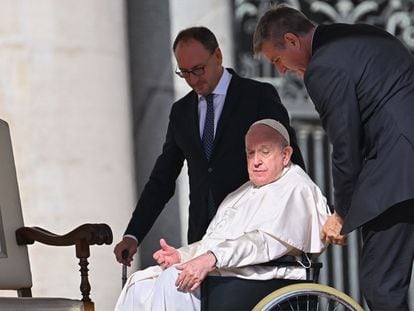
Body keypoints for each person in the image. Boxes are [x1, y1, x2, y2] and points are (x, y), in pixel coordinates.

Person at [253, 5, 414, 310]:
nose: (281, 71)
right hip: (401, 162)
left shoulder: (323, 67)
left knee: (381, 283)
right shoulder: (362, 36)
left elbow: (344, 143)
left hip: (398, 172)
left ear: (291, 40)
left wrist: (340, 213)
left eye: (277, 59)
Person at [114, 26, 305, 266]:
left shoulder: (258, 96)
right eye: (184, 73)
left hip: (250, 235)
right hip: (202, 238)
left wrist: (302, 216)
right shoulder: (181, 112)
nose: (193, 79)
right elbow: (162, 179)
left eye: (198, 69)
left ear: (218, 56)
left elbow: (290, 158)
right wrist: (133, 235)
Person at [114, 119, 330, 311]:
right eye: (250, 153)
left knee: (175, 281)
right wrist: (182, 256)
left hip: (266, 275)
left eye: (265, 152)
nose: (256, 161)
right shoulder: (242, 192)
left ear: (286, 155)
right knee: (140, 284)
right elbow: (215, 241)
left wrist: (211, 259)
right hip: (234, 270)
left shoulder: (296, 187)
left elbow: (262, 243)